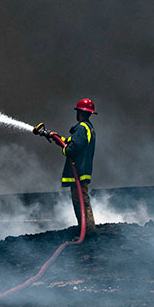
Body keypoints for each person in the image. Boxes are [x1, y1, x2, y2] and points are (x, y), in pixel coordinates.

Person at [51, 98, 97, 235]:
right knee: (80, 201)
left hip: (79, 170)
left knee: (82, 202)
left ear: (80, 113)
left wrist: (65, 150)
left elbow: (73, 148)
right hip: (82, 170)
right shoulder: (87, 128)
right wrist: (58, 139)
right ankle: (85, 229)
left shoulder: (82, 128)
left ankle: (87, 232)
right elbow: (72, 143)